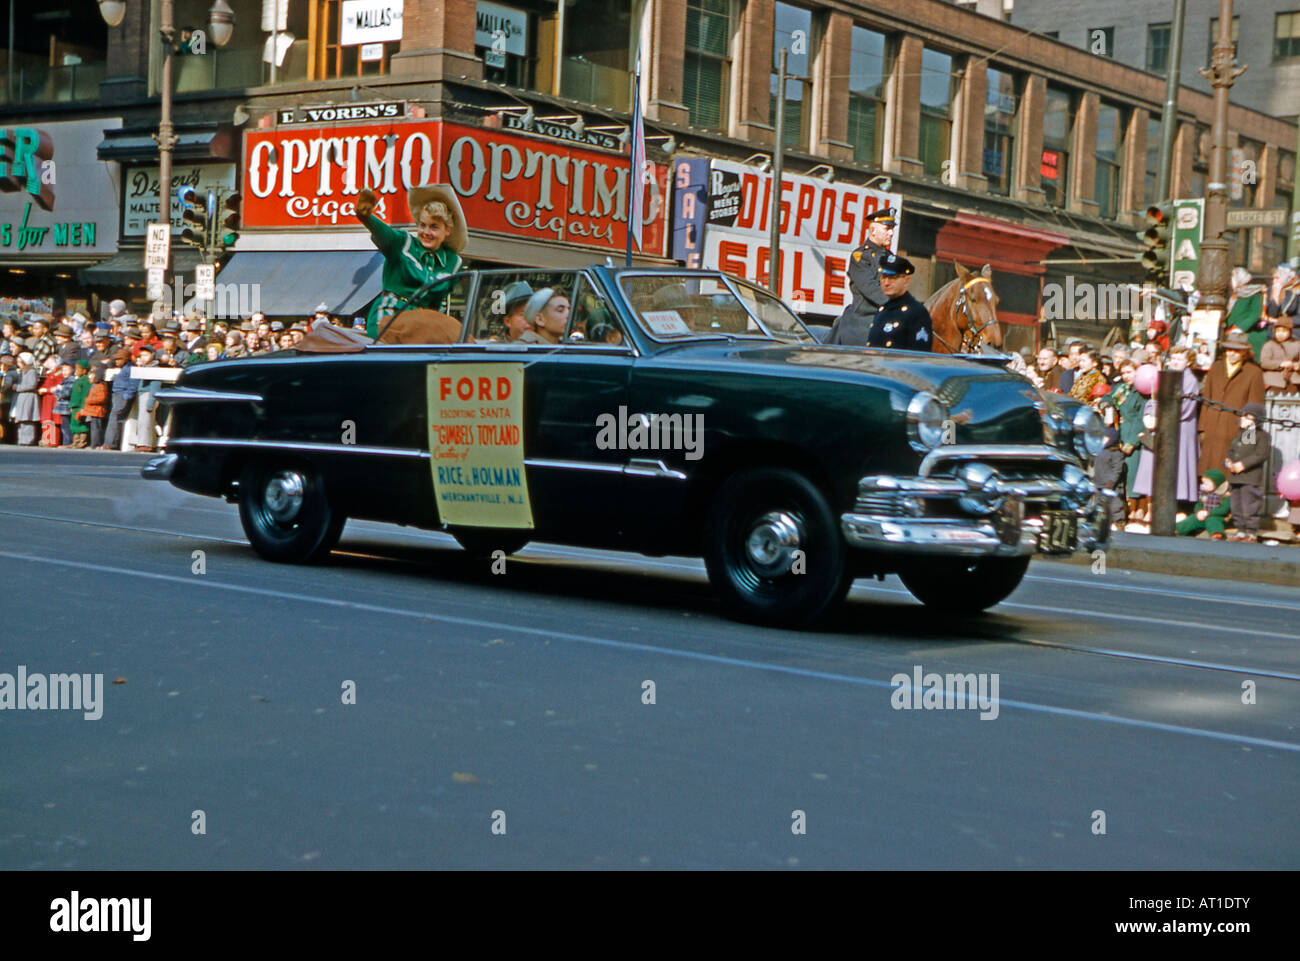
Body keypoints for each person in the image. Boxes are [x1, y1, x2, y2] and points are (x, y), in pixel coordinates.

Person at [354, 183, 465, 340]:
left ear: (447, 230)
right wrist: (365, 216)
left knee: (458, 337)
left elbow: (437, 302)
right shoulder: (403, 242)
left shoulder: (453, 263)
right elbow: (383, 233)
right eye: (422, 225)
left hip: (425, 322)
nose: (426, 232)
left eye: (434, 227)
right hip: (391, 314)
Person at [1198, 328, 1265, 475]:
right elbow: (1206, 399)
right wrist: (1202, 428)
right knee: (1207, 473)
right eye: (1229, 349)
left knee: (1228, 473)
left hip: (1234, 431)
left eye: (1237, 350)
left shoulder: (1254, 372)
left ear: (1245, 352)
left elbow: (1255, 407)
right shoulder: (1216, 367)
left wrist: (1248, 439)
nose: (1232, 353)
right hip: (1212, 428)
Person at [827, 207, 896, 346]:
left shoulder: (891, 258)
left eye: (892, 229)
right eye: (887, 229)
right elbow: (870, 288)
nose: (891, 233)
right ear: (873, 231)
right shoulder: (860, 256)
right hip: (863, 319)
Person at [863, 253, 932, 350]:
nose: (886, 283)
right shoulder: (882, 310)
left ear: (906, 281)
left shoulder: (917, 312)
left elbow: (918, 357)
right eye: (884, 277)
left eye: (893, 278)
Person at [1224, 402, 1270, 542]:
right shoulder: (1244, 434)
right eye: (1243, 416)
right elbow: (1235, 450)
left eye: (1247, 417)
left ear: (1256, 420)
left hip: (1250, 477)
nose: (1243, 419)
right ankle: (1240, 530)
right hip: (1236, 478)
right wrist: (1229, 461)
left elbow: (1260, 454)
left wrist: (1243, 464)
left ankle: (1251, 531)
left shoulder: (1261, 435)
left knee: (1249, 504)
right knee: (1236, 504)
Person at [1225, 267, 1267, 362]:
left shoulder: (1255, 292)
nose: (1231, 280)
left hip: (1246, 332)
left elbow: (1255, 314)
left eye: (1233, 277)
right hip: (1229, 330)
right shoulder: (1234, 293)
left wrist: (1240, 328)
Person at [1176, 469, 1231, 540]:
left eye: (1206, 484)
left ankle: (1217, 533)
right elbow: (1198, 505)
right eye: (1203, 483)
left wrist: (1209, 513)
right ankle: (1178, 529)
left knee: (1213, 520)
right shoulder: (1204, 494)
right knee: (1193, 518)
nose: (1203, 486)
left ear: (1216, 484)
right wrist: (1199, 512)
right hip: (1204, 516)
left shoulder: (1225, 496)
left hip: (1218, 517)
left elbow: (1224, 509)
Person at [1260, 315, 1300, 393]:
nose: (1280, 334)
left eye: (1284, 331)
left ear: (1290, 332)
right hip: (1273, 381)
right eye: (1278, 331)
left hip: (1294, 380)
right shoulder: (1269, 345)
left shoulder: (1297, 344)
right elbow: (1264, 362)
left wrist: (1296, 365)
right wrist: (1280, 364)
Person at [9, 352, 41, 446]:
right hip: (22, 398)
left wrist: (18, 387)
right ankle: (22, 439)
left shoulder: (31, 372)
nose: (18, 364)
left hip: (28, 397)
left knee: (27, 418)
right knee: (22, 419)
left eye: (20, 362)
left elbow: (32, 385)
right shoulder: (23, 372)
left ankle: (28, 440)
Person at [68, 360, 92, 448]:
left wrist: (83, 407)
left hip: (80, 407)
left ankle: (82, 441)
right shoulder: (78, 380)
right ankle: (75, 441)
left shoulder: (85, 381)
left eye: (78, 369)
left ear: (85, 371)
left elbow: (85, 395)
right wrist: (71, 405)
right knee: (74, 423)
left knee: (81, 424)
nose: (76, 371)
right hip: (74, 406)